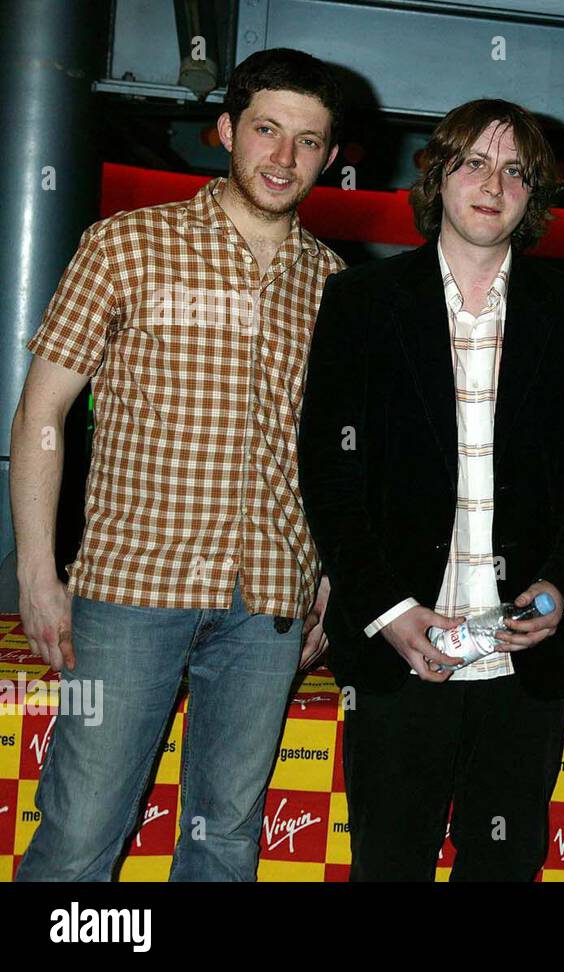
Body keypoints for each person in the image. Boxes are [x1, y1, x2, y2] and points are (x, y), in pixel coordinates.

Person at [14, 48, 344, 881]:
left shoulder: (338, 286)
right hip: (130, 590)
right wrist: (36, 572)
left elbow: (341, 456)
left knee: (225, 837)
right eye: (267, 130)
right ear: (227, 129)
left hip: (269, 600)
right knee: (82, 829)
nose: (283, 157)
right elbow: (41, 413)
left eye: (307, 142)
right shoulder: (127, 245)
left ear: (330, 158)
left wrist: (329, 583)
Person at [297, 99, 564, 881]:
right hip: (398, 650)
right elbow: (328, 471)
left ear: (534, 194)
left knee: (504, 867)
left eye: (517, 170)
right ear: (440, 175)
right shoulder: (362, 303)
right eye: (474, 162)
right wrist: (388, 609)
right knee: (390, 864)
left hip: (526, 663)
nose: (494, 182)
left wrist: (560, 590)